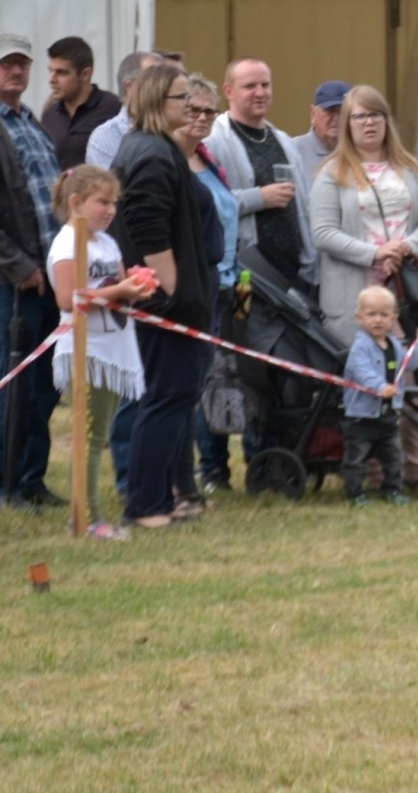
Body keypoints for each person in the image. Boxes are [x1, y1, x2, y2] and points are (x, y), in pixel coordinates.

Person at [310, 84, 418, 487]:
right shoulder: (331, 174)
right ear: (347, 125)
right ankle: (370, 471)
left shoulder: (411, 169)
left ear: (387, 120)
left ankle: (417, 469)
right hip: (358, 297)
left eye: (375, 115)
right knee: (369, 384)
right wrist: (374, 253)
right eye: (359, 117)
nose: (368, 123)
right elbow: (323, 232)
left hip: (408, 294)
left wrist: (406, 247)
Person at [110, 63, 216, 528]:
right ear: (157, 102)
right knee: (165, 398)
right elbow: (145, 220)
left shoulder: (156, 146)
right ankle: (146, 504)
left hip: (174, 298)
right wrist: (170, 285)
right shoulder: (151, 153)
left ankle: (163, 497)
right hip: (166, 301)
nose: (190, 105)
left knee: (172, 397)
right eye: (181, 97)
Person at [0, 32, 65, 510]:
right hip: (8, 280)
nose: (15, 70)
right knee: (7, 384)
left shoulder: (30, 120)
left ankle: (30, 480)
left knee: (41, 387)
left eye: (22, 63)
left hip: (46, 277)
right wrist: (21, 267)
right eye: (6, 62)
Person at [46, 165, 150, 539]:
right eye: (102, 202)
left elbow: (118, 285)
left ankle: (88, 515)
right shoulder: (67, 243)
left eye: (113, 202)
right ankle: (87, 518)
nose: (110, 210)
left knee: (98, 433)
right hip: (88, 349)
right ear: (76, 202)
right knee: (90, 437)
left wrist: (135, 286)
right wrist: (120, 291)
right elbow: (67, 299)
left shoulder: (107, 242)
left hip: (113, 344)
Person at [177, 75, 244, 496]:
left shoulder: (207, 157)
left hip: (225, 283)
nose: (202, 118)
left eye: (208, 111)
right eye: (193, 110)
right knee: (192, 383)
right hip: (192, 288)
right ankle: (191, 473)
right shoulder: (171, 160)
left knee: (216, 379)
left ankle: (214, 468)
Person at [206, 57, 316, 287]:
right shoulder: (213, 141)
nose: (260, 93)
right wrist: (259, 198)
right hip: (245, 276)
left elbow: (304, 206)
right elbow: (207, 203)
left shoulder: (284, 140)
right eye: (250, 86)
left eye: (265, 85)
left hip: (293, 275)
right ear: (228, 91)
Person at [341, 285, 418, 506]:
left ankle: (392, 490)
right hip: (361, 417)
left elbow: (409, 364)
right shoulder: (360, 347)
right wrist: (380, 387)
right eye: (371, 314)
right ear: (359, 317)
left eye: (384, 315)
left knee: (393, 457)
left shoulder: (394, 344)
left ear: (394, 317)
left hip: (388, 416)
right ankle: (355, 494)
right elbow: (362, 371)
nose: (378, 320)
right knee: (356, 459)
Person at [41, 36, 121, 170]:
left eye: (61, 73)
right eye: (50, 71)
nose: (52, 79)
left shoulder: (113, 108)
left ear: (85, 74)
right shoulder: (49, 116)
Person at [84, 51, 161, 168]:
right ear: (130, 87)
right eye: (155, 82)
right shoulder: (106, 137)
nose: (164, 88)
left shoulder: (174, 127)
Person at [294, 79, 349, 180]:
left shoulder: (362, 152)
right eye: (330, 111)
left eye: (343, 112)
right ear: (313, 114)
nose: (337, 118)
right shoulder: (293, 151)